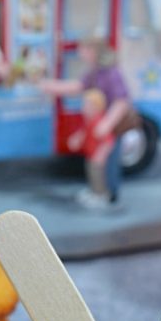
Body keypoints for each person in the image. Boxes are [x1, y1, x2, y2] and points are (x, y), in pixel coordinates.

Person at [39, 39, 132, 206]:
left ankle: (109, 195)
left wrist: (108, 124)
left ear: (93, 51)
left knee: (108, 162)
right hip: (99, 122)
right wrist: (51, 86)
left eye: (83, 50)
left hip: (112, 125)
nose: (80, 54)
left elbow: (122, 101)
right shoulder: (95, 71)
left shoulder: (111, 72)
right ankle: (97, 191)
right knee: (94, 162)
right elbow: (78, 86)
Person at [66, 88, 115, 209]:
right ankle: (94, 192)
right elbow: (84, 133)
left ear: (96, 106)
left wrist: (101, 154)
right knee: (91, 174)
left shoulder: (99, 121)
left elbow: (108, 141)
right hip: (90, 154)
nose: (83, 108)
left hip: (96, 157)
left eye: (87, 105)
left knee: (98, 175)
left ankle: (101, 195)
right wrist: (76, 139)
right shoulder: (89, 120)